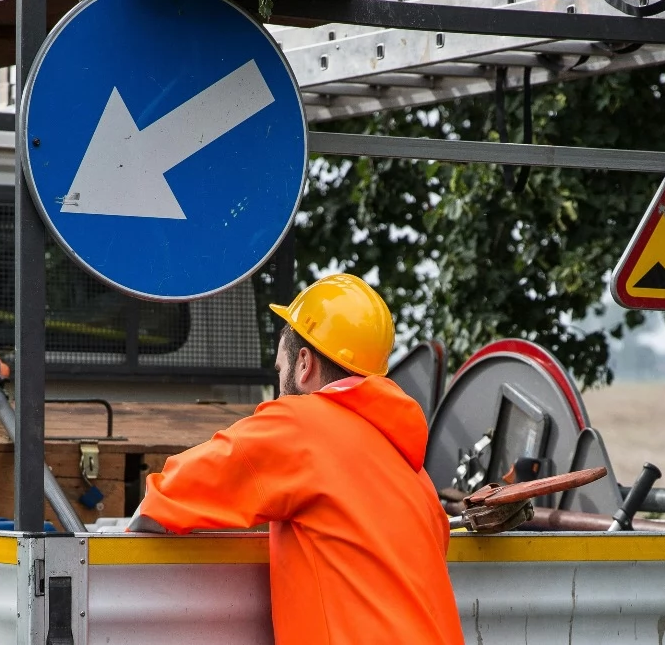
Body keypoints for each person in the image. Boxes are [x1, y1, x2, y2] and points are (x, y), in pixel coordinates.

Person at [127, 273, 465, 645]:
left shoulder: (300, 426)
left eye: (279, 369)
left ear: (304, 364)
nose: (279, 384)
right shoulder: (415, 474)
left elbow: (161, 503)